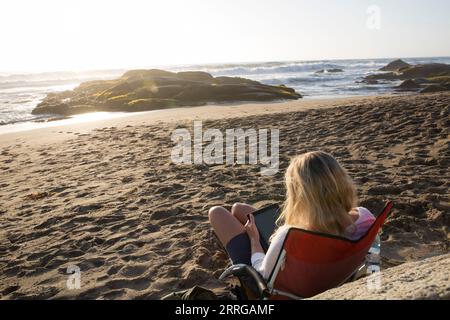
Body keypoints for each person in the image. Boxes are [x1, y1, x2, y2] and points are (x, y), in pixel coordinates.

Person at [208, 151, 375, 280]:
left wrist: (254, 241)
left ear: (298, 194)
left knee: (216, 212)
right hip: (329, 267)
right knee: (239, 209)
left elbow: (263, 275)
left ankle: (249, 241)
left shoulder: (288, 234)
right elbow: (373, 259)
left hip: (280, 279)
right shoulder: (366, 217)